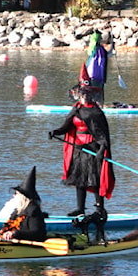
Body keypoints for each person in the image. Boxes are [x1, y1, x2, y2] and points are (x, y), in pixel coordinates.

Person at [49, 84, 115, 217]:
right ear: (79, 94)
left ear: (91, 95)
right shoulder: (76, 109)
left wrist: (102, 149)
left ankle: (99, 209)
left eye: (87, 94)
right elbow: (66, 126)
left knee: (94, 178)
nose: (85, 96)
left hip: (93, 148)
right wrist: (55, 132)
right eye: (82, 93)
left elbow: (102, 134)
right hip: (78, 148)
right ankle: (80, 208)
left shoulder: (96, 112)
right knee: (79, 179)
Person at [0, 166, 47, 242]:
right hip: (15, 241)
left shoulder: (33, 211)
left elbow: (37, 233)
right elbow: (7, 227)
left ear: (23, 197)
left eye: (16, 194)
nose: (14, 195)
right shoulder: (16, 212)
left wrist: (15, 234)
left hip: (29, 245)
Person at [72, 31, 113, 106]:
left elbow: (109, 54)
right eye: (99, 38)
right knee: (92, 92)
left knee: (99, 92)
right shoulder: (92, 49)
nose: (100, 39)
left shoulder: (102, 49)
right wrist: (95, 35)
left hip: (100, 77)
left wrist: (112, 45)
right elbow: (93, 44)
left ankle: (100, 106)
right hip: (92, 76)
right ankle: (90, 106)